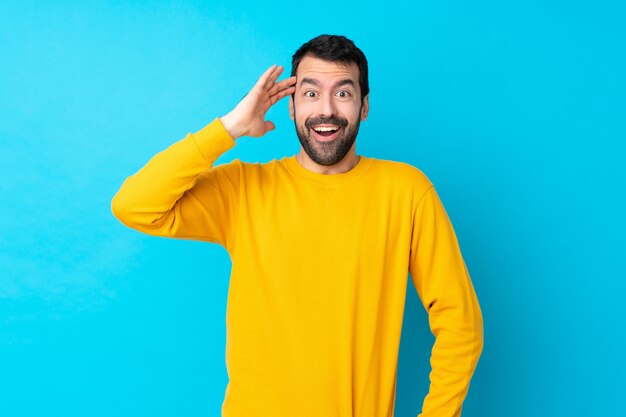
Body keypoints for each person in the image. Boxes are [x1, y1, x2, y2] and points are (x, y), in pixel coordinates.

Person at [112, 34, 484, 417]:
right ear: (290, 107)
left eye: (343, 93)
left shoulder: (407, 192)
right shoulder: (243, 189)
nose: (326, 110)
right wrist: (230, 128)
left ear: (364, 107)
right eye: (309, 94)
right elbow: (134, 205)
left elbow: (461, 323)